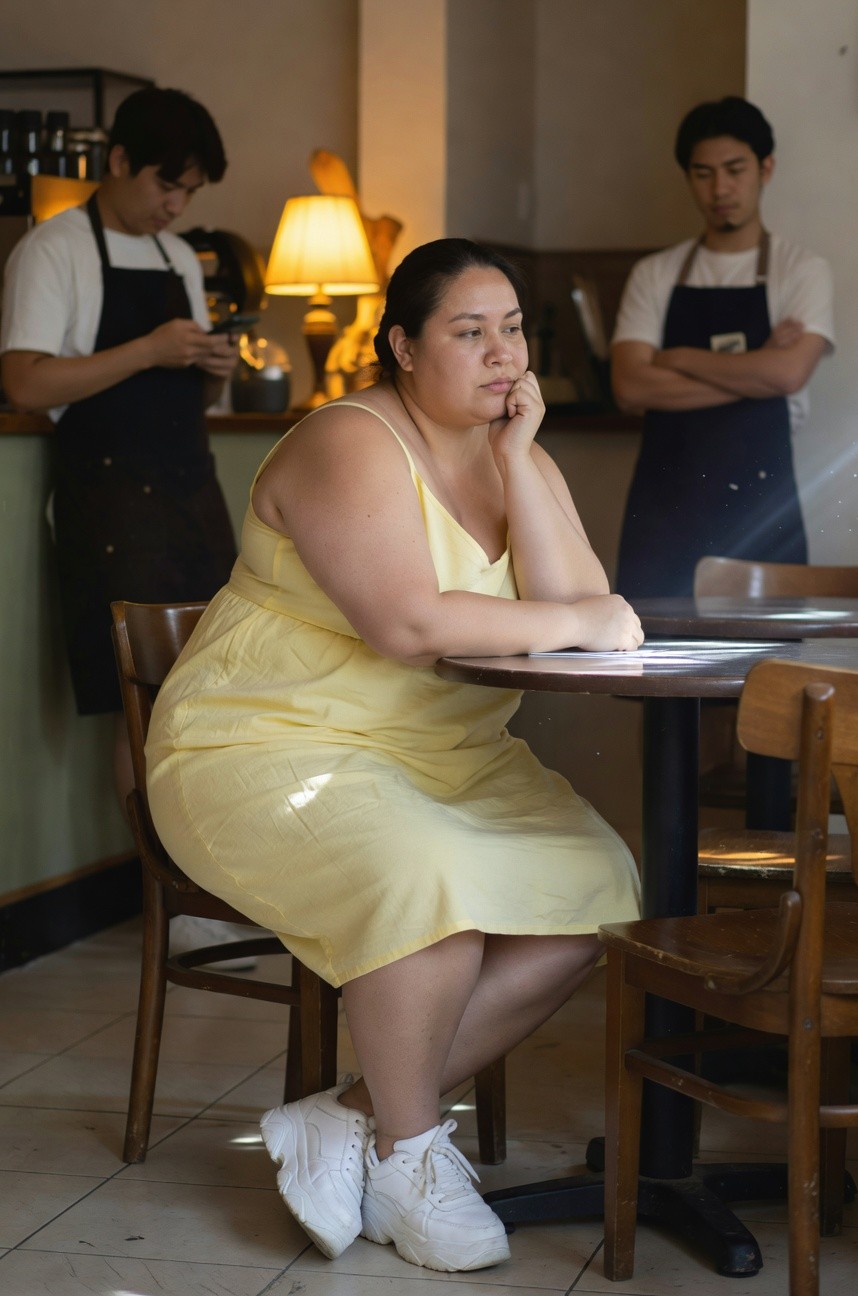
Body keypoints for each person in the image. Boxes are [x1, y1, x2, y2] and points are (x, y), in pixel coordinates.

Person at [144, 238, 644, 1273]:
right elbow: (409, 625)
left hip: (439, 756)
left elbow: (579, 610)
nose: (501, 353)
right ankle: (412, 1156)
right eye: (470, 333)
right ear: (403, 348)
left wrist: (516, 461)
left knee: (600, 885)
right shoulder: (350, 441)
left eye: (512, 330)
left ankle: (349, 1115)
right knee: (429, 886)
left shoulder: (519, 452)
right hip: (268, 741)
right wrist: (587, 617)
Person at [0, 86, 250, 963]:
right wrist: (149, 349)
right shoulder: (53, 250)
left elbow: (192, 395)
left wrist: (211, 365)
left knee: (211, 696)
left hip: (189, 488)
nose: (176, 207)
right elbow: (26, 384)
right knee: (146, 704)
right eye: (166, 185)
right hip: (109, 498)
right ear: (116, 163)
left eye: (189, 192)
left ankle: (215, 886)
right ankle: (171, 897)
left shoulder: (181, 256)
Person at [611, 95, 834, 598]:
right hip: (664, 511)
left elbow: (788, 375)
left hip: (762, 508)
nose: (720, 189)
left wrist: (679, 359)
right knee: (652, 663)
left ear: (766, 168)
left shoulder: (800, 270)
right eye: (703, 173)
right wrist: (753, 371)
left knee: (769, 667)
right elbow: (629, 384)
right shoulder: (655, 273)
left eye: (734, 170)